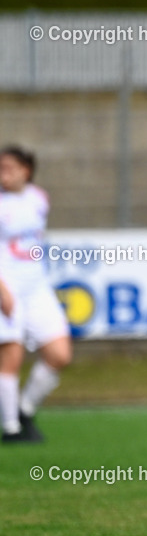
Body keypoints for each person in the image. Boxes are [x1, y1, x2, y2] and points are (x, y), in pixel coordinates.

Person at [0, 145, 73, 443]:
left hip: (37, 287)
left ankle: (25, 409)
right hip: (7, 288)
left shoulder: (39, 198)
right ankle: (11, 428)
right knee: (11, 358)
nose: (3, 174)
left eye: (9, 168)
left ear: (25, 171)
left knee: (59, 354)